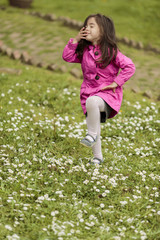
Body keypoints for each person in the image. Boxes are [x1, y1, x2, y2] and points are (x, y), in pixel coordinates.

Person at [62, 13, 135, 165]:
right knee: (93, 119)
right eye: (86, 25)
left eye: (91, 26)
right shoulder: (85, 52)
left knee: (93, 105)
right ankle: (97, 157)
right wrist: (75, 40)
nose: (86, 28)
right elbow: (67, 57)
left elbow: (130, 67)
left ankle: (91, 134)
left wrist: (117, 82)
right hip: (88, 94)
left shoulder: (111, 52)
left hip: (108, 94)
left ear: (103, 31)